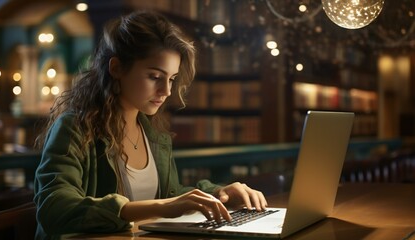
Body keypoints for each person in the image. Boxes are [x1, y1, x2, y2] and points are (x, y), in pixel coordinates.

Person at [34, 10, 267, 240]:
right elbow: (54, 208)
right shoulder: (75, 127)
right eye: (155, 77)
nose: (166, 91)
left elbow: (171, 197)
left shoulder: (152, 133)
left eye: (172, 79)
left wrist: (219, 193)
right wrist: (160, 207)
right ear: (116, 68)